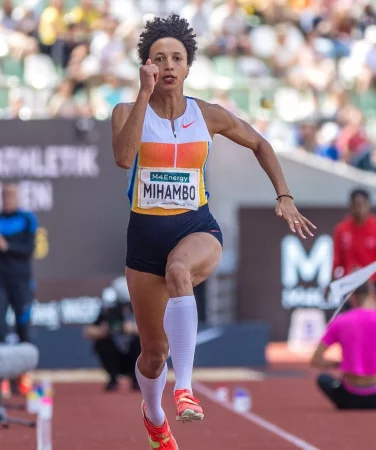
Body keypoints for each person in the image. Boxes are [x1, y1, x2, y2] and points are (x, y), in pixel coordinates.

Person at [111, 14, 315, 449]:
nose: (168, 65)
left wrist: (284, 194)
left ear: (188, 67)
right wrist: (143, 95)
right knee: (152, 355)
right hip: (144, 237)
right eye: (159, 58)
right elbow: (124, 159)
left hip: (195, 226)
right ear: (147, 65)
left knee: (181, 269)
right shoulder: (128, 111)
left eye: (177, 58)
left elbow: (261, 143)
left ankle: (185, 388)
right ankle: (153, 413)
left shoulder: (207, 115)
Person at [311, 283, 376, 410]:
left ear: (352, 298)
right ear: (373, 295)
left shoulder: (340, 321)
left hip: (348, 398)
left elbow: (316, 359)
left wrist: (341, 364)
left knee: (323, 379)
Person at [0, 181, 36, 394]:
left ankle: (23, 376)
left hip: (21, 281)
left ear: (18, 197)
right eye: (4, 195)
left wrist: (5, 246)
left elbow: (29, 249)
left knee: (23, 327)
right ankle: (1, 378)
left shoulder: (27, 218)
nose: (7, 199)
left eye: (11, 195)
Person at [332, 188, 376, 301]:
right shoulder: (341, 229)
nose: (359, 209)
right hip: (349, 282)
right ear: (350, 206)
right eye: (355, 205)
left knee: (371, 316)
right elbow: (337, 259)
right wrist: (332, 281)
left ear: (368, 205)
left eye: (362, 204)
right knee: (350, 316)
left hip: (373, 283)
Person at [83, 294, 141, 392]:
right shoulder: (106, 314)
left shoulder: (138, 310)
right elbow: (87, 331)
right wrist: (101, 331)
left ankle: (137, 379)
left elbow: (154, 331)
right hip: (115, 357)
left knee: (140, 342)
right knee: (102, 344)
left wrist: (133, 329)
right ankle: (113, 377)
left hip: (133, 357)